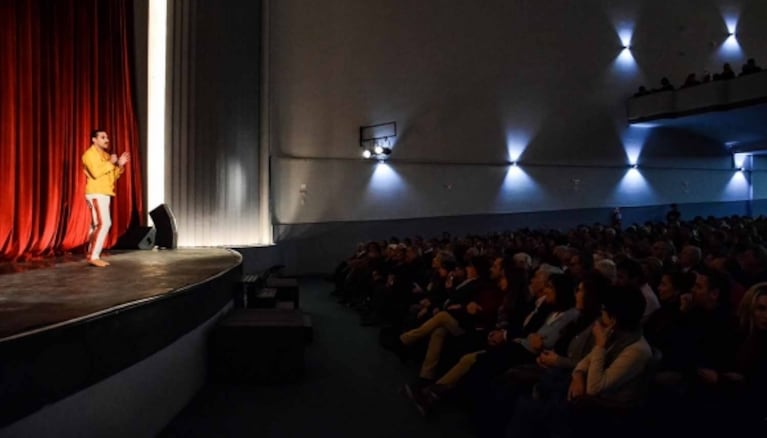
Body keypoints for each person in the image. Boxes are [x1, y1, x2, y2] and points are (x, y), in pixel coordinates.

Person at [81, 129, 129, 267]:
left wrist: (119, 165)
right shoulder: (89, 155)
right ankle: (93, 256)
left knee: (98, 225)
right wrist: (111, 163)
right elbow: (95, 173)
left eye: (107, 137)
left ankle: (92, 252)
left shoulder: (107, 156)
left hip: (105, 192)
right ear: (94, 140)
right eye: (103, 137)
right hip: (96, 192)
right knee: (103, 224)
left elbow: (112, 177)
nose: (106, 139)